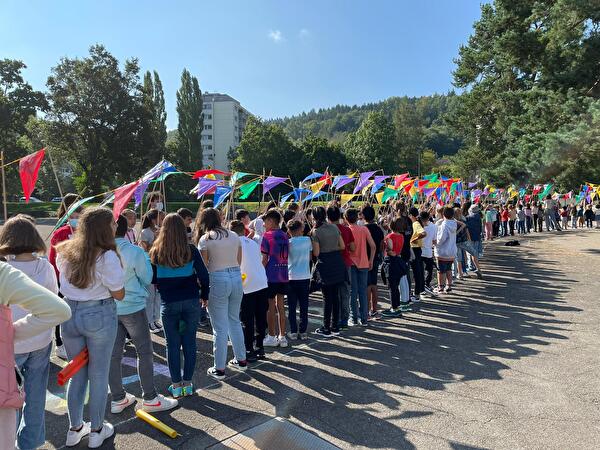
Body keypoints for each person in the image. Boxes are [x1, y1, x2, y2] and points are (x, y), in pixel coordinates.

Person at [55, 207, 126, 448]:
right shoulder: (107, 257)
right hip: (99, 313)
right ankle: (96, 429)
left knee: (77, 373)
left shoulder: (64, 251)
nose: (116, 227)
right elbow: (118, 293)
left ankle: (75, 428)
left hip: (69, 313)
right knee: (98, 374)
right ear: (105, 229)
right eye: (113, 224)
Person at [0, 216, 64, 450]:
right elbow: (54, 299)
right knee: (36, 397)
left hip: (10, 344)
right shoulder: (45, 267)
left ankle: (8, 443)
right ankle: (30, 443)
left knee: (8, 399)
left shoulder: (5, 270)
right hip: (39, 340)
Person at [109, 215, 178, 413]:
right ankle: (150, 397)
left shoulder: (99, 251)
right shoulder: (134, 251)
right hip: (132, 307)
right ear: (125, 229)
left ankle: (118, 398)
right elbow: (147, 277)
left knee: (113, 355)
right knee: (144, 352)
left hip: (110, 308)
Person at [152, 214, 209, 396]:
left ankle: (176, 386)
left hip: (169, 304)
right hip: (191, 301)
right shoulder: (191, 249)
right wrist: (204, 295)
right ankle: (188, 384)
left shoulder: (155, 252)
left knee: (173, 345)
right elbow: (204, 276)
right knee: (190, 343)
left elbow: (152, 279)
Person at [197, 208, 248, 379]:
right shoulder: (233, 235)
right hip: (235, 276)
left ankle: (219, 368)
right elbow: (239, 259)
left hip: (217, 278)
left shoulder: (206, 239)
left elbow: (203, 267)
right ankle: (241, 359)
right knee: (234, 319)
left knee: (219, 326)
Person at [49, 193, 82, 360]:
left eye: (79, 215)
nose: (76, 218)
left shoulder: (84, 231)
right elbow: (53, 258)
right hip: (62, 280)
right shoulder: (61, 231)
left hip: (80, 280)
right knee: (60, 310)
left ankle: (75, 340)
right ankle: (59, 342)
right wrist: (56, 279)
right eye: (73, 215)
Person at [230, 220, 269, 361]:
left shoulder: (234, 244)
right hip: (261, 281)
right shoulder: (252, 242)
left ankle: (249, 349)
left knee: (247, 319)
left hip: (247, 285)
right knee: (260, 317)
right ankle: (260, 347)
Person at [311, 206, 346, 335]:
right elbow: (342, 246)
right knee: (335, 296)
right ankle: (335, 325)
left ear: (314, 217)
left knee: (327, 298)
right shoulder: (334, 227)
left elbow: (316, 252)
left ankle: (326, 327)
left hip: (325, 263)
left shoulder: (316, 232)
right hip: (337, 260)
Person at [260, 209, 290, 347]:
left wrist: (259, 271)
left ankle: (271, 336)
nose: (264, 225)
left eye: (265, 222)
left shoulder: (267, 236)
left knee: (270, 307)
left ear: (271, 221)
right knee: (281, 306)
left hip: (271, 275)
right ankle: (282, 336)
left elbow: (264, 259)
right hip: (283, 274)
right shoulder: (285, 235)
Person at [346, 208, 375, 325]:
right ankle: (364, 317)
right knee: (363, 291)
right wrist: (371, 260)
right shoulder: (364, 229)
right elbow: (373, 246)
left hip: (351, 263)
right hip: (364, 263)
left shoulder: (347, 230)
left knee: (353, 292)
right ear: (358, 217)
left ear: (345, 218)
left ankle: (353, 317)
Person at [328, 206, 355, 329]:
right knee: (345, 292)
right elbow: (353, 248)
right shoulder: (346, 230)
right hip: (346, 262)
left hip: (332, 264)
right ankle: (344, 319)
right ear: (340, 216)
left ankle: (336, 319)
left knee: (334, 293)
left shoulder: (327, 230)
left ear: (328, 217)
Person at [286, 219, 312, 340]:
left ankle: (293, 331)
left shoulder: (288, 242)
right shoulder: (307, 240)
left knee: (292, 306)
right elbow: (311, 255)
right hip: (305, 276)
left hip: (291, 276)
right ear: (301, 229)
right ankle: (303, 331)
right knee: (304, 305)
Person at [140, 209, 164, 333]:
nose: (162, 221)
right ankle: (149, 320)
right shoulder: (145, 232)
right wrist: (155, 238)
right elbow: (146, 249)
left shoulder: (161, 230)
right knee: (150, 294)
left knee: (158, 294)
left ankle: (156, 318)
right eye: (160, 218)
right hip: (149, 264)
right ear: (153, 219)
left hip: (160, 264)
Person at [381, 218, 409, 318]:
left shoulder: (389, 236)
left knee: (392, 287)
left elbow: (390, 250)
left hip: (391, 261)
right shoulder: (401, 236)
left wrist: (387, 249)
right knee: (396, 286)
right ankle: (396, 306)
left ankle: (394, 308)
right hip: (399, 260)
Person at [362, 205, 384, 318]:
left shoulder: (363, 229)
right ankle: (374, 309)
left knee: (366, 285)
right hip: (375, 258)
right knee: (374, 284)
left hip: (364, 259)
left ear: (363, 216)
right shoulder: (378, 229)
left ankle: (366, 311)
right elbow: (381, 245)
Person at [434, 207, 458, 294]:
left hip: (443, 251)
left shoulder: (444, 225)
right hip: (451, 250)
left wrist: (436, 242)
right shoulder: (454, 223)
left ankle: (441, 287)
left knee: (441, 270)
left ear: (443, 214)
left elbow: (441, 239)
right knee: (448, 269)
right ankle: (449, 286)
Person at [409, 207, 427, 302]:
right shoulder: (416, 223)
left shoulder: (415, 223)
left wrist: (413, 239)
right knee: (418, 271)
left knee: (417, 272)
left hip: (415, 249)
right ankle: (418, 292)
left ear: (411, 215)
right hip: (417, 249)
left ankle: (417, 294)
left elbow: (424, 233)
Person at [465, 204, 483, 278]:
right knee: (474, 253)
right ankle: (475, 267)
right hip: (477, 237)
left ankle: (477, 268)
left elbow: (466, 228)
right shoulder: (479, 217)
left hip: (470, 238)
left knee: (472, 254)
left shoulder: (468, 218)